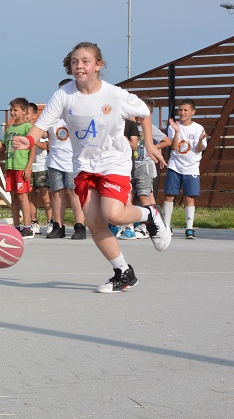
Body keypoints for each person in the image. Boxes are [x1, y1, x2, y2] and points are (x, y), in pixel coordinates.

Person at [13, 41, 172, 293]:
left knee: (114, 215)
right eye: (75, 61)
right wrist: (29, 139)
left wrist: (150, 144)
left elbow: (143, 112)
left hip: (114, 162)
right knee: (95, 222)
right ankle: (123, 273)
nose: (79, 66)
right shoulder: (64, 94)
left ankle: (149, 214)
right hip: (83, 166)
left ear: (98, 65)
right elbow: (42, 123)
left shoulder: (114, 94)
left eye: (85, 61)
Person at [44, 79, 86, 240]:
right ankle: (58, 226)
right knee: (56, 193)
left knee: (73, 192)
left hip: (73, 160)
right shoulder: (52, 114)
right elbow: (43, 132)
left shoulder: (78, 113)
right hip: (54, 159)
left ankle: (80, 226)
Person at [0, 97, 34, 237]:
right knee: (13, 197)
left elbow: (32, 148)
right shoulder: (9, 129)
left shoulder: (28, 127)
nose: (12, 113)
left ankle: (27, 226)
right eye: (11, 110)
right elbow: (3, 148)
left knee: (22, 196)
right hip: (10, 167)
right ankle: (16, 226)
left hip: (21, 166)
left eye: (15, 110)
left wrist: (28, 166)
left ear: (24, 111)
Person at [163, 99, 208, 239]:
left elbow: (199, 149)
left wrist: (200, 140)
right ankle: (166, 227)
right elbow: (174, 147)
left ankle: (189, 229)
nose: (182, 113)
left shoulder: (198, 128)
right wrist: (177, 132)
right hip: (175, 166)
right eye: (180, 110)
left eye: (185, 110)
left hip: (192, 168)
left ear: (193, 112)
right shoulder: (173, 126)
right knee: (169, 195)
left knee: (189, 198)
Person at [129, 98, 171, 239]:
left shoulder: (150, 128)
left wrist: (151, 148)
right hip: (131, 166)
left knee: (144, 195)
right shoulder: (129, 126)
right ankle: (155, 223)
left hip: (144, 165)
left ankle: (145, 225)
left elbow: (167, 141)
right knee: (136, 196)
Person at [27, 101, 51, 235]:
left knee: (45, 196)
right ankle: (34, 222)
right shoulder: (23, 128)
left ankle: (50, 222)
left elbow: (45, 146)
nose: (25, 115)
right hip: (28, 167)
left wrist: (31, 140)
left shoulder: (39, 129)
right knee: (30, 197)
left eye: (28, 113)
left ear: (34, 116)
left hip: (41, 166)